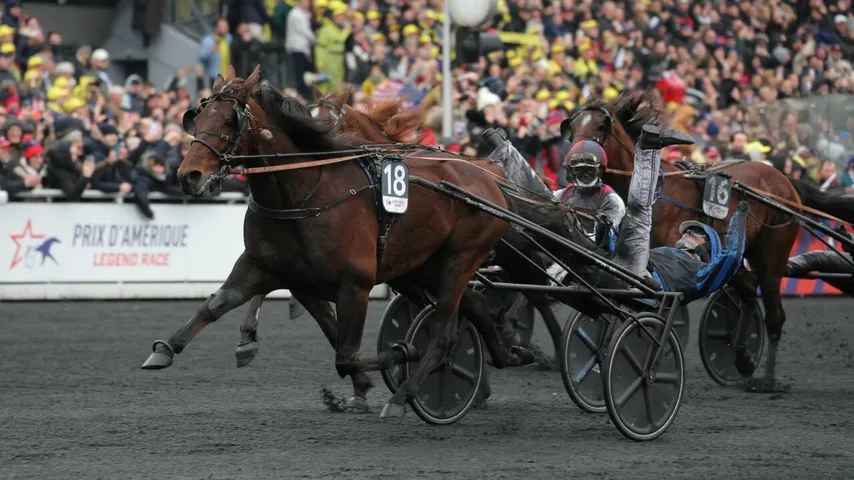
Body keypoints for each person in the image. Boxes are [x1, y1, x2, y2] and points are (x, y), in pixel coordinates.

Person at [553, 140, 625, 251]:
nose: (585, 173)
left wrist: (569, 221)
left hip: (600, 257)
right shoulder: (561, 195)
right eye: (579, 169)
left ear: (599, 170)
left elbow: (600, 240)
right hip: (564, 252)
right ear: (572, 171)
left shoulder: (612, 200)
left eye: (589, 169)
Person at [285, 0, 315, 100]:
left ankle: (304, 95)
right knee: (300, 75)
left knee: (303, 75)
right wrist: (316, 39)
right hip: (297, 48)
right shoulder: (296, 14)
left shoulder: (301, 14)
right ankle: (303, 96)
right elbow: (305, 31)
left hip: (302, 48)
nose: (308, 3)